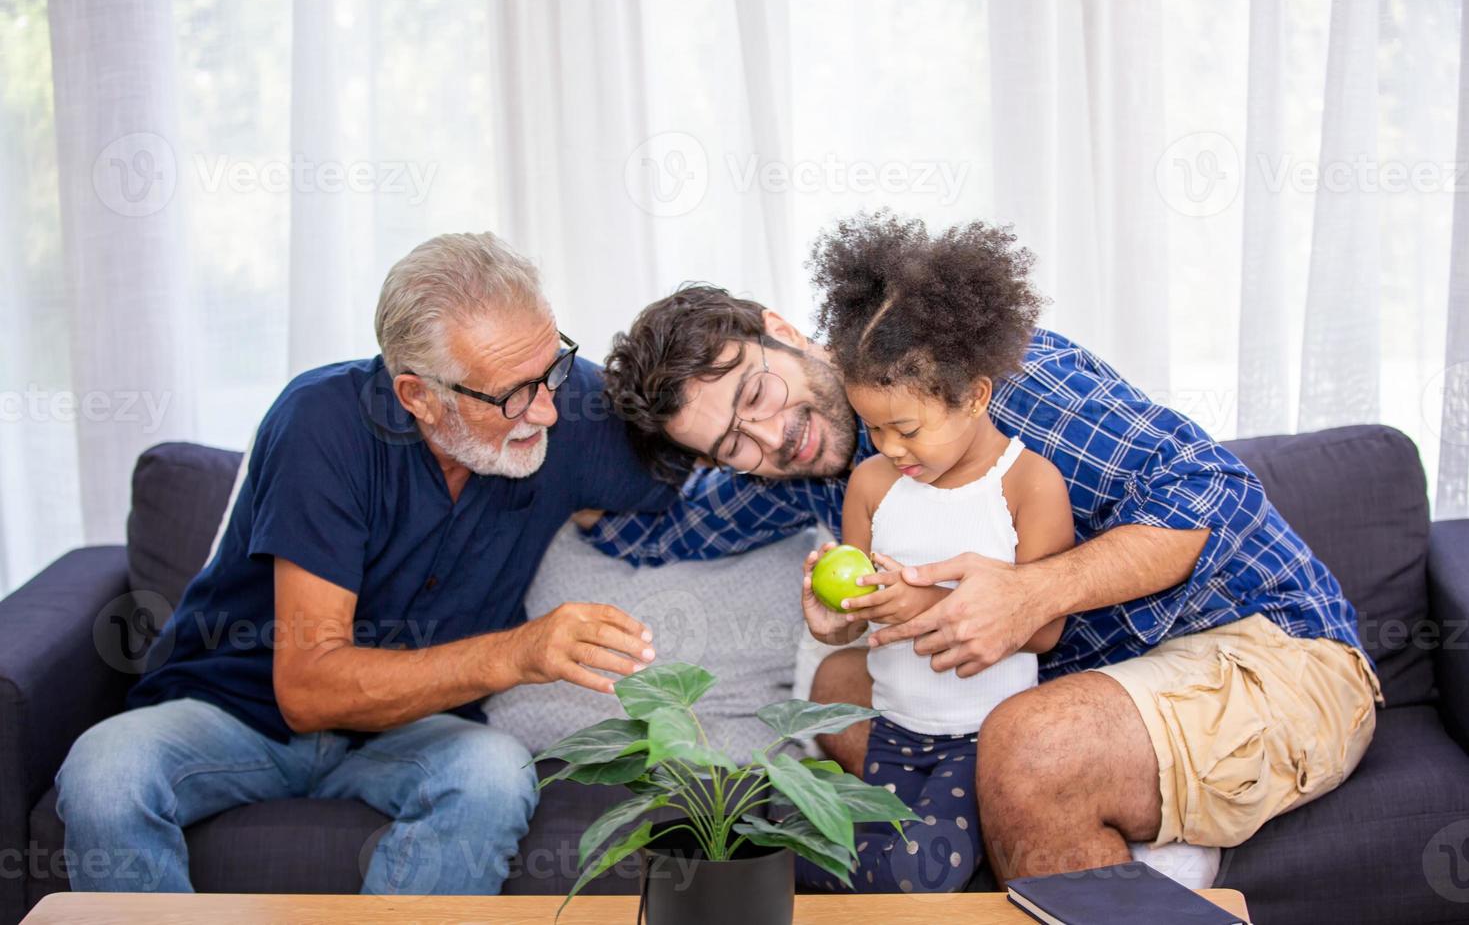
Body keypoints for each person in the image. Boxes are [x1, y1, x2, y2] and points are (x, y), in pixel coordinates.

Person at [589, 211, 1381, 888]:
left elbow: (1212, 494)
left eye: (754, 397)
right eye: (731, 443)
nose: (768, 437)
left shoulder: (987, 375)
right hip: (1074, 685)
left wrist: (1030, 591)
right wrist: (547, 447)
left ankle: (1106, 824)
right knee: (833, 685)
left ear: (785, 332)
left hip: (1258, 648)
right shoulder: (804, 463)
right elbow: (660, 528)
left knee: (1025, 745)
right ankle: (1080, 812)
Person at [55, 232, 670, 895]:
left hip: (416, 733)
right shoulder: (321, 422)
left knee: (494, 775)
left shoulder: (558, 402)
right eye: (512, 396)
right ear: (418, 395)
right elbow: (308, 688)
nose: (547, 409)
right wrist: (517, 653)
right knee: (105, 772)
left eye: (553, 367)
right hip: (238, 714)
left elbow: (709, 459)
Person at [794, 220, 1071, 892]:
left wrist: (922, 603)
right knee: (839, 876)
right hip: (888, 730)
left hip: (982, 741)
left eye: (907, 428)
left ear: (974, 396)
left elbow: (1042, 626)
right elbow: (859, 617)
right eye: (872, 428)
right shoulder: (869, 485)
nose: (888, 447)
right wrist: (833, 619)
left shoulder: (1027, 483)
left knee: (916, 880)